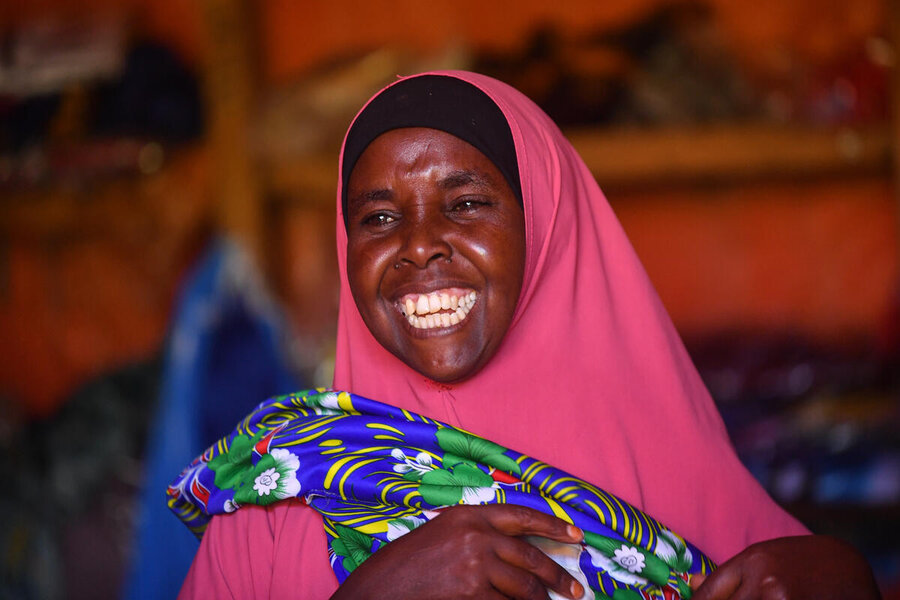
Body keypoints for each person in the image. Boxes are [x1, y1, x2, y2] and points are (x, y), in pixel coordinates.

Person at [177, 71, 880, 599]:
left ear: (548, 228)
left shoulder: (687, 482)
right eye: (380, 219)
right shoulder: (276, 502)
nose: (419, 247)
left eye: (467, 203)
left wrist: (850, 580)